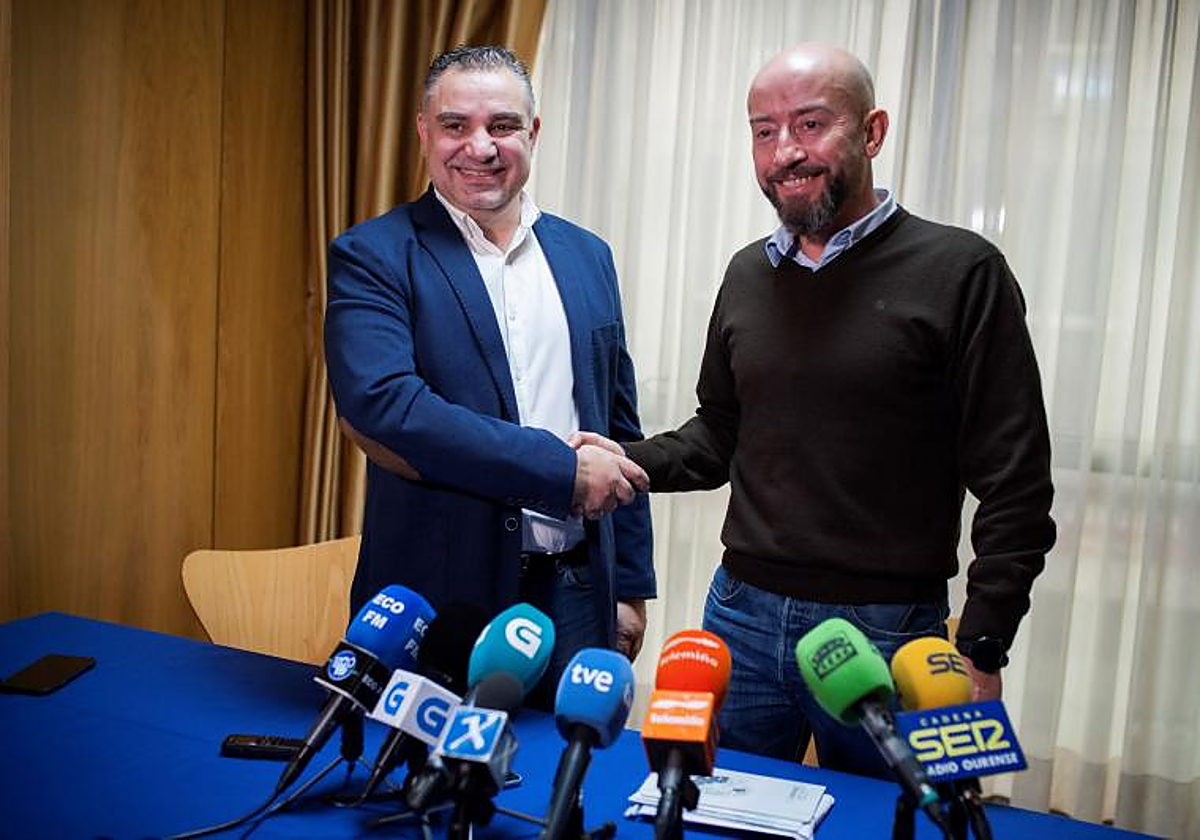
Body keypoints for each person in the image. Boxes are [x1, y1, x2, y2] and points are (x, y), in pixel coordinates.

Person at [573, 43, 1055, 776]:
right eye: (763, 130)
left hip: (886, 633)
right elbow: (721, 434)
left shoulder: (963, 272)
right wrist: (622, 458)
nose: (784, 152)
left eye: (810, 124)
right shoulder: (747, 272)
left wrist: (982, 645)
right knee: (713, 811)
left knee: (883, 823)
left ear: (872, 131)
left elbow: (1017, 484)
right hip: (738, 614)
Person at [324, 46, 655, 706]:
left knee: (563, 789)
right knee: (425, 792)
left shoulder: (589, 256)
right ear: (423, 132)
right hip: (441, 591)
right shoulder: (373, 255)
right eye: (456, 126)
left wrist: (632, 586)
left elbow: (618, 424)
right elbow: (389, 407)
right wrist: (559, 472)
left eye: (503, 125)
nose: (480, 146)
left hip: (578, 593)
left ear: (533, 133)